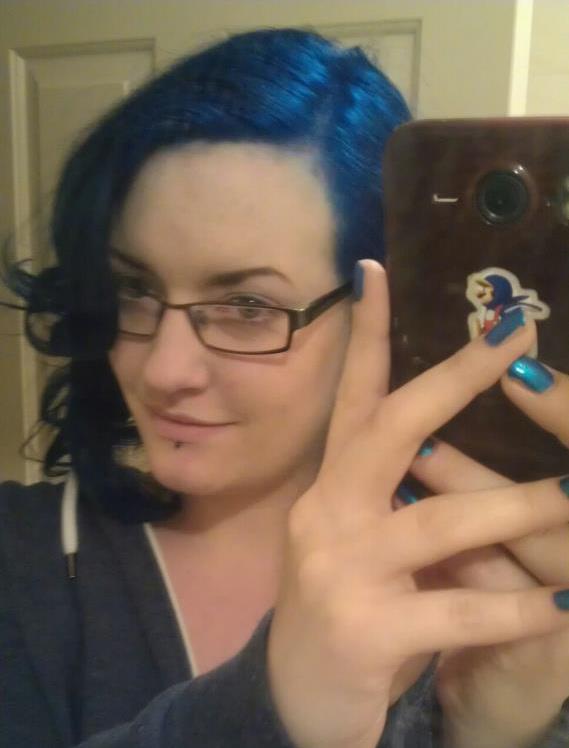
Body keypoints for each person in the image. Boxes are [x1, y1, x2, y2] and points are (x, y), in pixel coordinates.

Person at [1, 27, 569, 748]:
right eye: (134, 289)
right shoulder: (21, 562)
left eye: (247, 306)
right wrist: (279, 707)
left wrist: (487, 733)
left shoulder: (493, 585)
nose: (162, 371)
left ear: (381, 309)